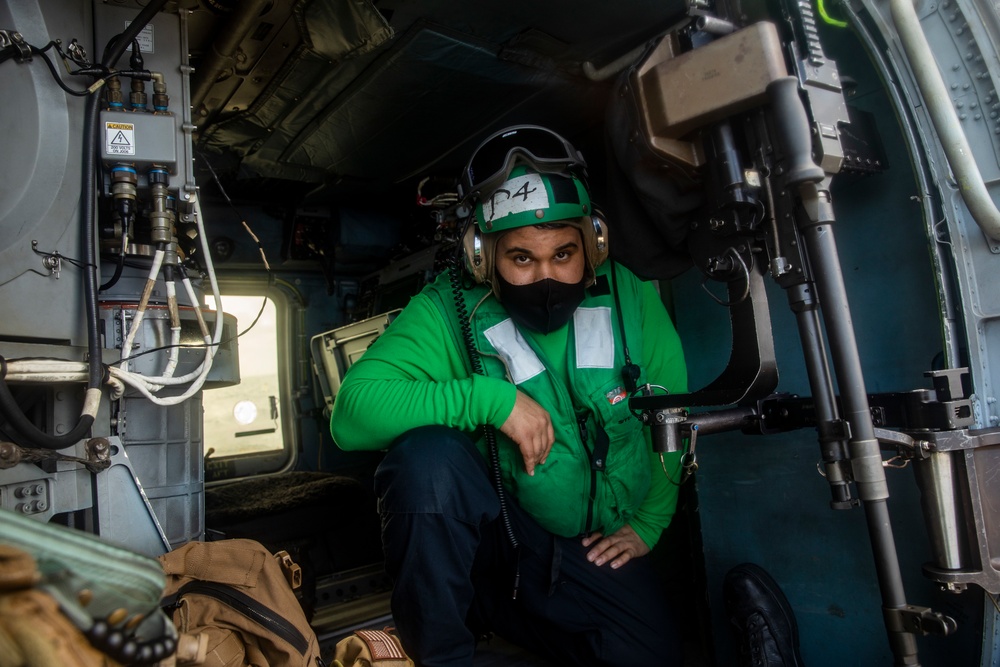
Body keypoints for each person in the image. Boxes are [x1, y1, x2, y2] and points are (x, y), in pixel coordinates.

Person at [330, 125, 688, 666]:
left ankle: (503, 615)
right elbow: (351, 416)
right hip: (497, 533)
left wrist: (650, 522)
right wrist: (490, 400)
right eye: (521, 258)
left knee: (653, 654)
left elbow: (671, 414)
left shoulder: (630, 298)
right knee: (426, 459)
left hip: (575, 544)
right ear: (482, 255)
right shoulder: (447, 311)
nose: (547, 275)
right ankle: (442, 654)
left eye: (564, 253)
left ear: (592, 243)